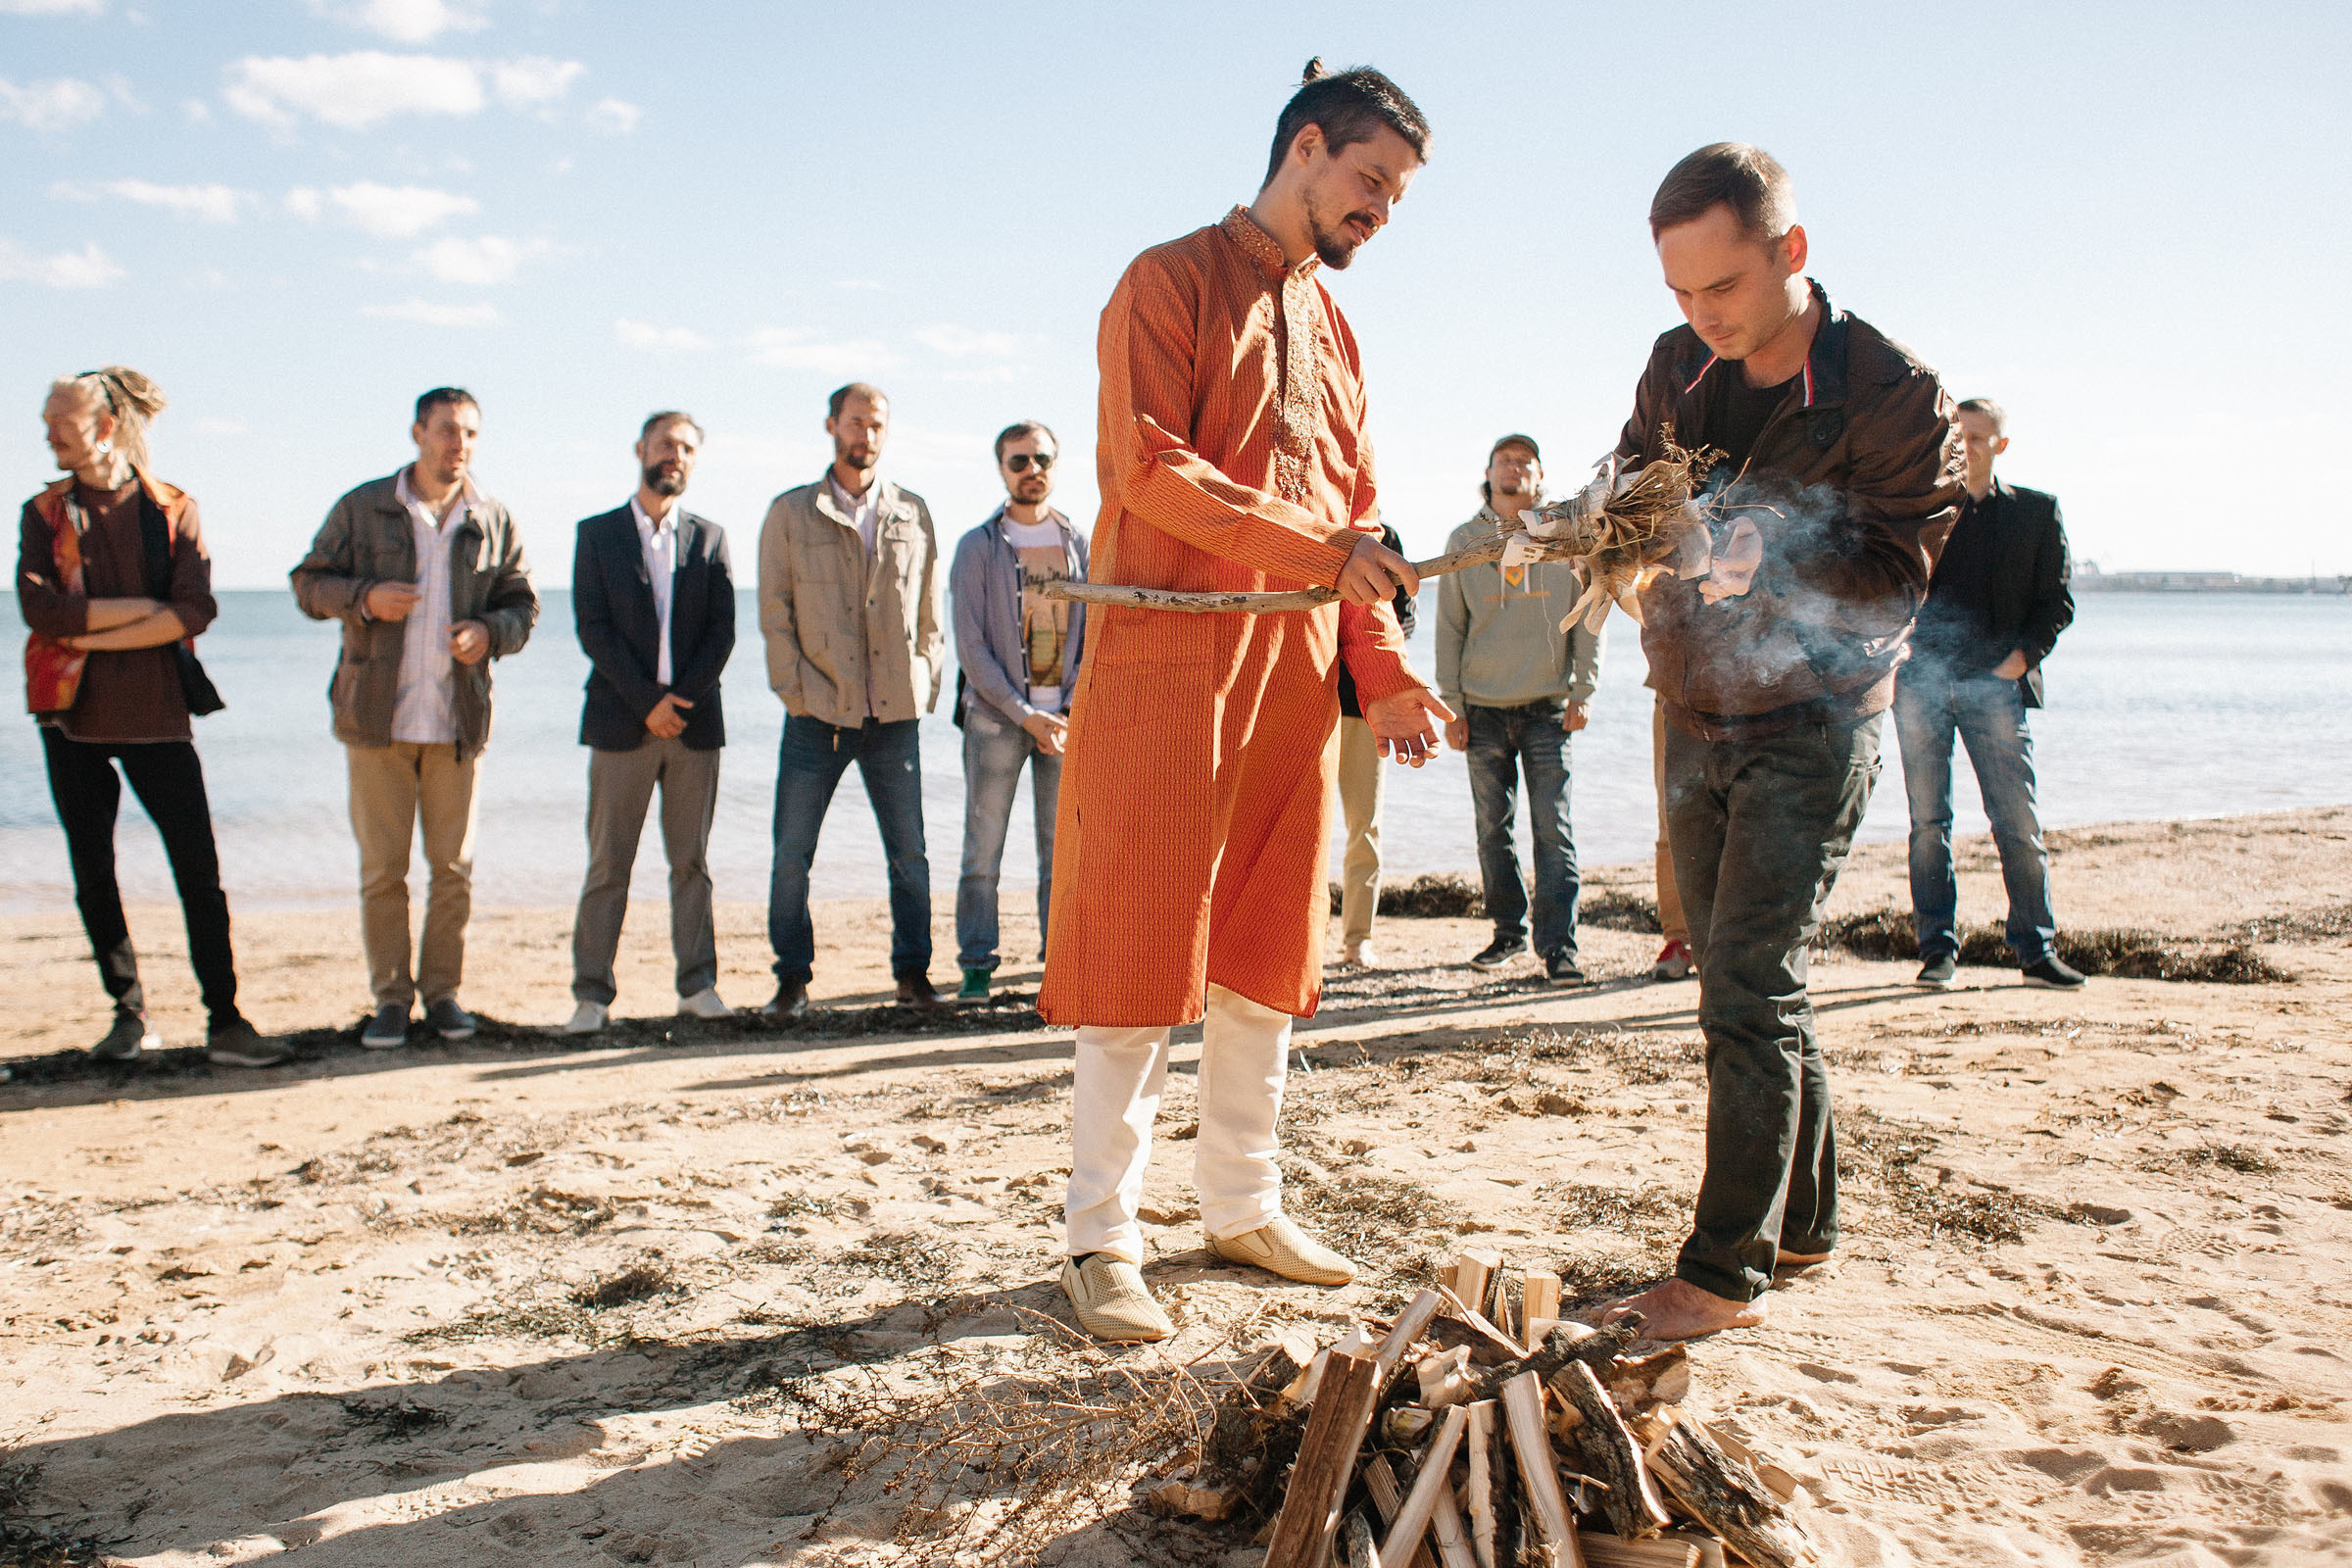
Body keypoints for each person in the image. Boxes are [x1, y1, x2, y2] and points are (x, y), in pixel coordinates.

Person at [1042, 61, 1452, 1343]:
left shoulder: (1339, 331)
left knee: (1267, 949)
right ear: (1308, 148)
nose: (1381, 209)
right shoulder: (1165, 280)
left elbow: (1357, 530)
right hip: (1165, 666)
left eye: (1397, 195)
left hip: (1289, 674)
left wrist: (1383, 674)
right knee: (1137, 946)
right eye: (1371, 180)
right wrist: (1328, 557)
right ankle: (1099, 1239)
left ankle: (1241, 1203)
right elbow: (1145, 469)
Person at [1600, 144, 1963, 1339]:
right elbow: (1636, 498)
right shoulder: (1675, 366)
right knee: (1745, 977)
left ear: (1791, 254)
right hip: (1693, 707)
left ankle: (1721, 1271)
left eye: (1724, 292)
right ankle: (1805, 1224)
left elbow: (1901, 578)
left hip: (1817, 720)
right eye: (1680, 296)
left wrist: (1781, 558)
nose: (1700, 321)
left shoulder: (1895, 393)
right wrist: (1598, 533)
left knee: (1749, 985)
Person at [17, 368, 286, 1068]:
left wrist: (88, 632)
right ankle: (129, 1015)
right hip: (69, 714)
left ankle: (226, 1021)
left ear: (104, 429)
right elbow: (41, 613)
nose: (47, 436)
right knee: (92, 870)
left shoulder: (172, 508)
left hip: (160, 712)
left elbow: (195, 612)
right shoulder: (42, 512)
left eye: (61, 426)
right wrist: (143, 615)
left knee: (198, 870)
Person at [292, 388, 538, 1050]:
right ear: (417, 434)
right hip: (377, 722)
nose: (459, 444)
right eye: (448, 431)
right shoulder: (364, 507)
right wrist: (366, 597)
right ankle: (392, 1000)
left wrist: (489, 633)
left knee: (453, 869)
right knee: (383, 871)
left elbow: (524, 608)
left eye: (470, 434)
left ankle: (444, 994)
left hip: (458, 724)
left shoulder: (493, 517)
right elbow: (308, 584)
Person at [758, 382, 945, 1018]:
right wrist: (797, 691)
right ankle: (792, 980)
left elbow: (929, 614)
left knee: (910, 855)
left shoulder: (913, 511)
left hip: (895, 715)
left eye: (877, 424)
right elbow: (774, 614)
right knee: (792, 854)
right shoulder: (790, 512)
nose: (866, 433)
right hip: (817, 716)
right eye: (856, 421)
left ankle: (913, 974)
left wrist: (925, 678)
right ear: (832, 424)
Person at [1894, 398, 2081, 991]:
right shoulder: (1925, 513)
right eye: (1957, 435)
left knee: (2016, 822)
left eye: (1977, 437)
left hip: (1996, 690)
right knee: (1929, 824)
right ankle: (1938, 953)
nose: (1964, 445)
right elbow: (1891, 590)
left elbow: (2058, 602)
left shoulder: (2034, 513)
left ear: (2000, 445)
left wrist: (2022, 659)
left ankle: (2035, 951)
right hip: (1921, 687)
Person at [562, 413, 738, 1034]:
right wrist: (647, 704)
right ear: (641, 448)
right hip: (621, 724)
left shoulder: (711, 538)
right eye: (666, 444)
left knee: (691, 862)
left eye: (688, 447)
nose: (676, 455)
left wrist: (679, 702)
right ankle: (591, 996)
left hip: (693, 727)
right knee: (609, 864)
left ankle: (698, 986)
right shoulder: (598, 534)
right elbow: (594, 630)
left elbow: (722, 634)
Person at [1436, 434, 1601, 986]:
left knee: (1553, 828)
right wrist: (1451, 706)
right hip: (1480, 710)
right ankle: (1508, 931)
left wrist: (1584, 689)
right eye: (1505, 460)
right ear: (1488, 472)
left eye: (1525, 461)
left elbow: (1589, 610)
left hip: (1548, 709)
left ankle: (1559, 948)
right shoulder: (1464, 540)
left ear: (1539, 474)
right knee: (1492, 829)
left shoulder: (1565, 535)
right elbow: (1449, 630)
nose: (1515, 469)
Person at [949, 420, 1089, 1004]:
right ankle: (977, 966)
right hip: (996, 720)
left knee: (1062, 853)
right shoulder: (979, 546)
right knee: (983, 849)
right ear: (1001, 468)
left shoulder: (1078, 541)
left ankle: (1059, 964)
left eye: (1042, 459)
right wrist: (1024, 712)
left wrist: (1073, 704)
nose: (1032, 470)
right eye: (1019, 461)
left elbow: (1094, 630)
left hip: (1067, 721)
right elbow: (971, 645)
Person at [1335, 517, 1415, 969]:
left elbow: (1404, 620)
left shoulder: (1385, 536)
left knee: (1363, 825)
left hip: (1362, 706)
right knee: (1288, 827)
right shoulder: (1301, 522)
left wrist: (1382, 676)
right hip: (1300, 697)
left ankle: (1357, 938)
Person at [1649, 688, 1694, 980]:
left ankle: (1736, 942)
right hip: (1675, 689)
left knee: (1742, 818)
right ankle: (1679, 940)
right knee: (1673, 819)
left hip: (1744, 687)